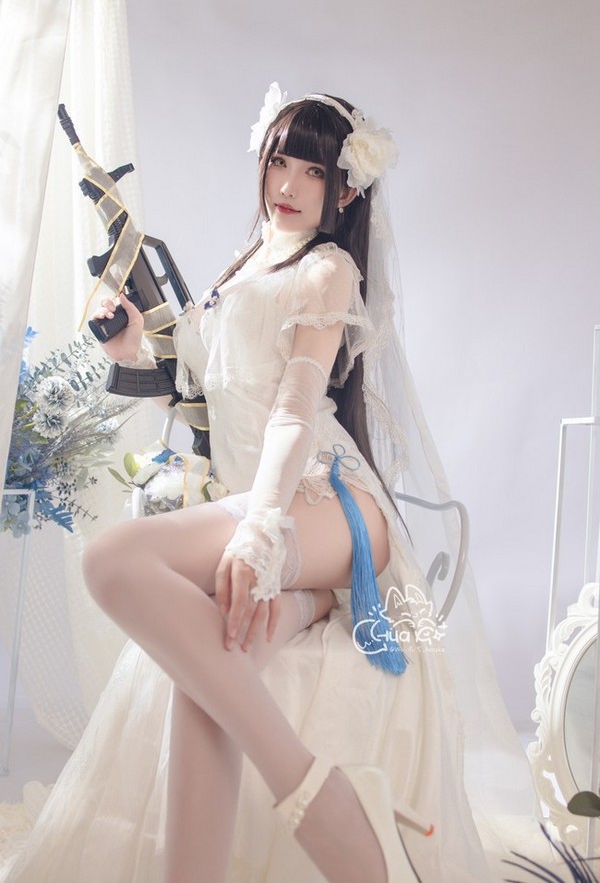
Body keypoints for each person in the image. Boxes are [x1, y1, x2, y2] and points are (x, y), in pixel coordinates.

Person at [4, 85, 495, 883]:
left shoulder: (327, 268)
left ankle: (317, 792)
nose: (289, 185)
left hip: (330, 498)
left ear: (346, 191)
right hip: (265, 496)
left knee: (112, 559)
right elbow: (210, 401)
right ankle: (306, 616)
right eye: (279, 162)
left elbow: (295, 408)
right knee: (218, 663)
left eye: (314, 171)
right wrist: (132, 351)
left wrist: (262, 528)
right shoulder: (243, 264)